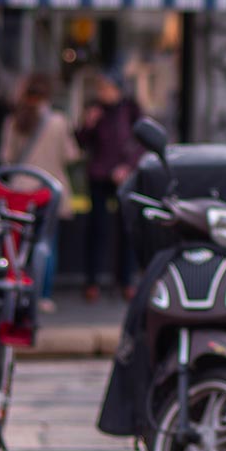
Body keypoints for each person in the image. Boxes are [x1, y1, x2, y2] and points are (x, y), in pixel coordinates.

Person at [0, 73, 80, 312]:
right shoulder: (58, 121)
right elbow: (71, 155)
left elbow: (6, 157)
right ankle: (42, 295)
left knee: (18, 243)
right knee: (46, 244)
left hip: (21, 190)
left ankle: (18, 288)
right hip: (49, 188)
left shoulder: (14, 121)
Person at [76, 73, 142, 302]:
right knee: (97, 229)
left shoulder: (130, 110)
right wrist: (88, 124)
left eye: (107, 88)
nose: (103, 93)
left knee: (126, 229)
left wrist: (128, 167)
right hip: (99, 175)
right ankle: (92, 281)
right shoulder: (96, 110)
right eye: (100, 88)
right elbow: (80, 143)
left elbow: (140, 142)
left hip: (123, 177)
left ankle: (125, 280)